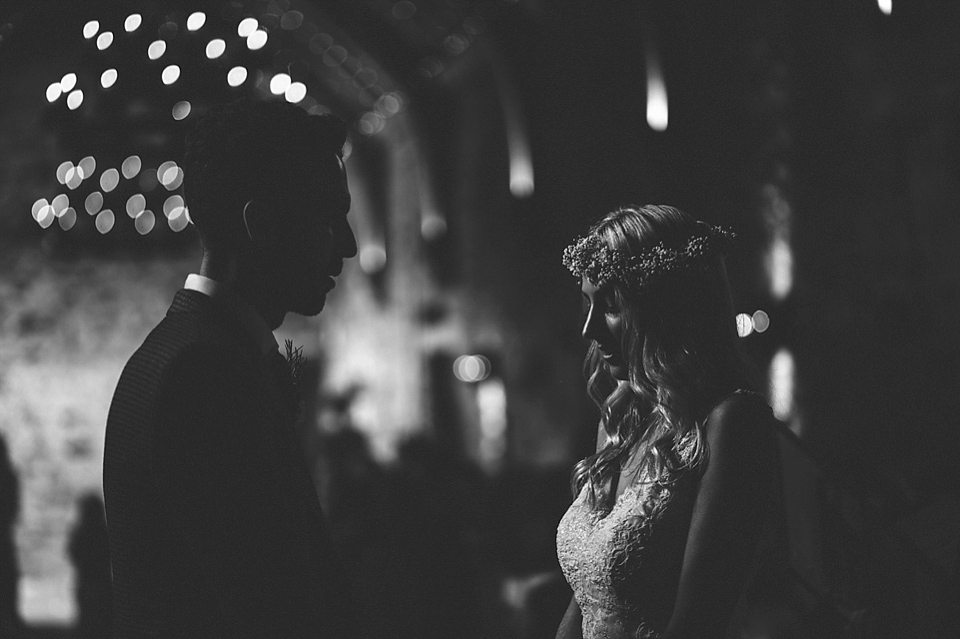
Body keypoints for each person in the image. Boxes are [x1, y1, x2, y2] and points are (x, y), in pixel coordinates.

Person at [103, 98, 358, 638]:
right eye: (330, 218)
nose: (351, 248)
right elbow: (263, 604)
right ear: (261, 224)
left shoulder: (188, 352)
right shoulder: (202, 377)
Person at [555, 205, 787, 639]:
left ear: (663, 308)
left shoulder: (733, 423)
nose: (589, 329)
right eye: (587, 304)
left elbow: (700, 620)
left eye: (609, 306)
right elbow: (587, 600)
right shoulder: (620, 424)